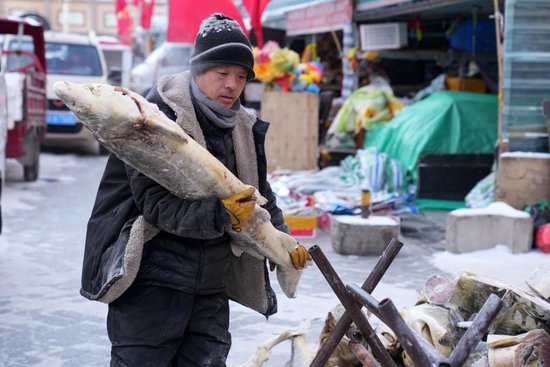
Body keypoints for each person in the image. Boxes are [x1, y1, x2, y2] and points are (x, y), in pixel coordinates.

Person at [80, 13, 310, 367]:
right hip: (152, 282)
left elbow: (259, 195)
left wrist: (283, 240)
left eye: (241, 76)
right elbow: (156, 206)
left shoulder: (241, 128)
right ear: (198, 69)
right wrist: (221, 214)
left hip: (210, 286)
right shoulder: (152, 119)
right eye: (222, 74)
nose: (232, 85)